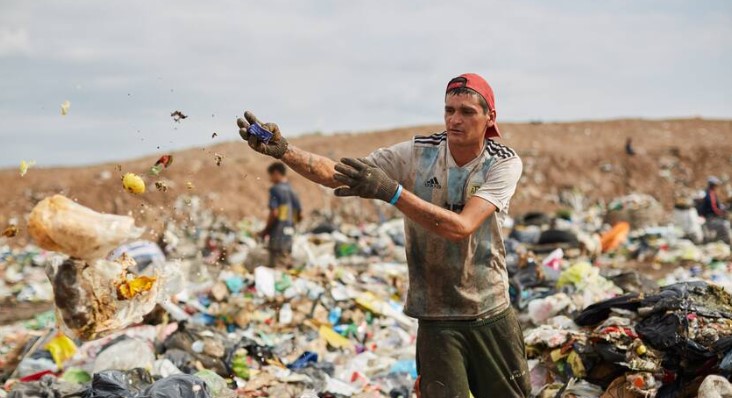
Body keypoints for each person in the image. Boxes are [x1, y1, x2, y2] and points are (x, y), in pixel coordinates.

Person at [237, 73, 530, 397]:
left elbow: (460, 227)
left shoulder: (501, 163)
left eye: (466, 112)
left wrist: (392, 193)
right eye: (449, 110)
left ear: (490, 117)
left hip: (489, 310)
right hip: (435, 316)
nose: (454, 120)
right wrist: (285, 151)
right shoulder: (420, 153)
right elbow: (338, 173)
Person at [261, 161, 302, 268]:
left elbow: (274, 213)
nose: (270, 179)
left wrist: (265, 231)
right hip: (289, 237)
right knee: (285, 268)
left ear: (276, 173)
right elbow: (300, 215)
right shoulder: (293, 191)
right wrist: (290, 224)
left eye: (270, 175)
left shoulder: (275, 189)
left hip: (277, 236)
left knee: (275, 270)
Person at [699, 176, 730, 244]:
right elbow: (714, 208)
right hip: (710, 218)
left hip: (711, 217)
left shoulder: (709, 193)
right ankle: (727, 243)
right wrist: (721, 213)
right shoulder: (710, 194)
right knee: (725, 225)